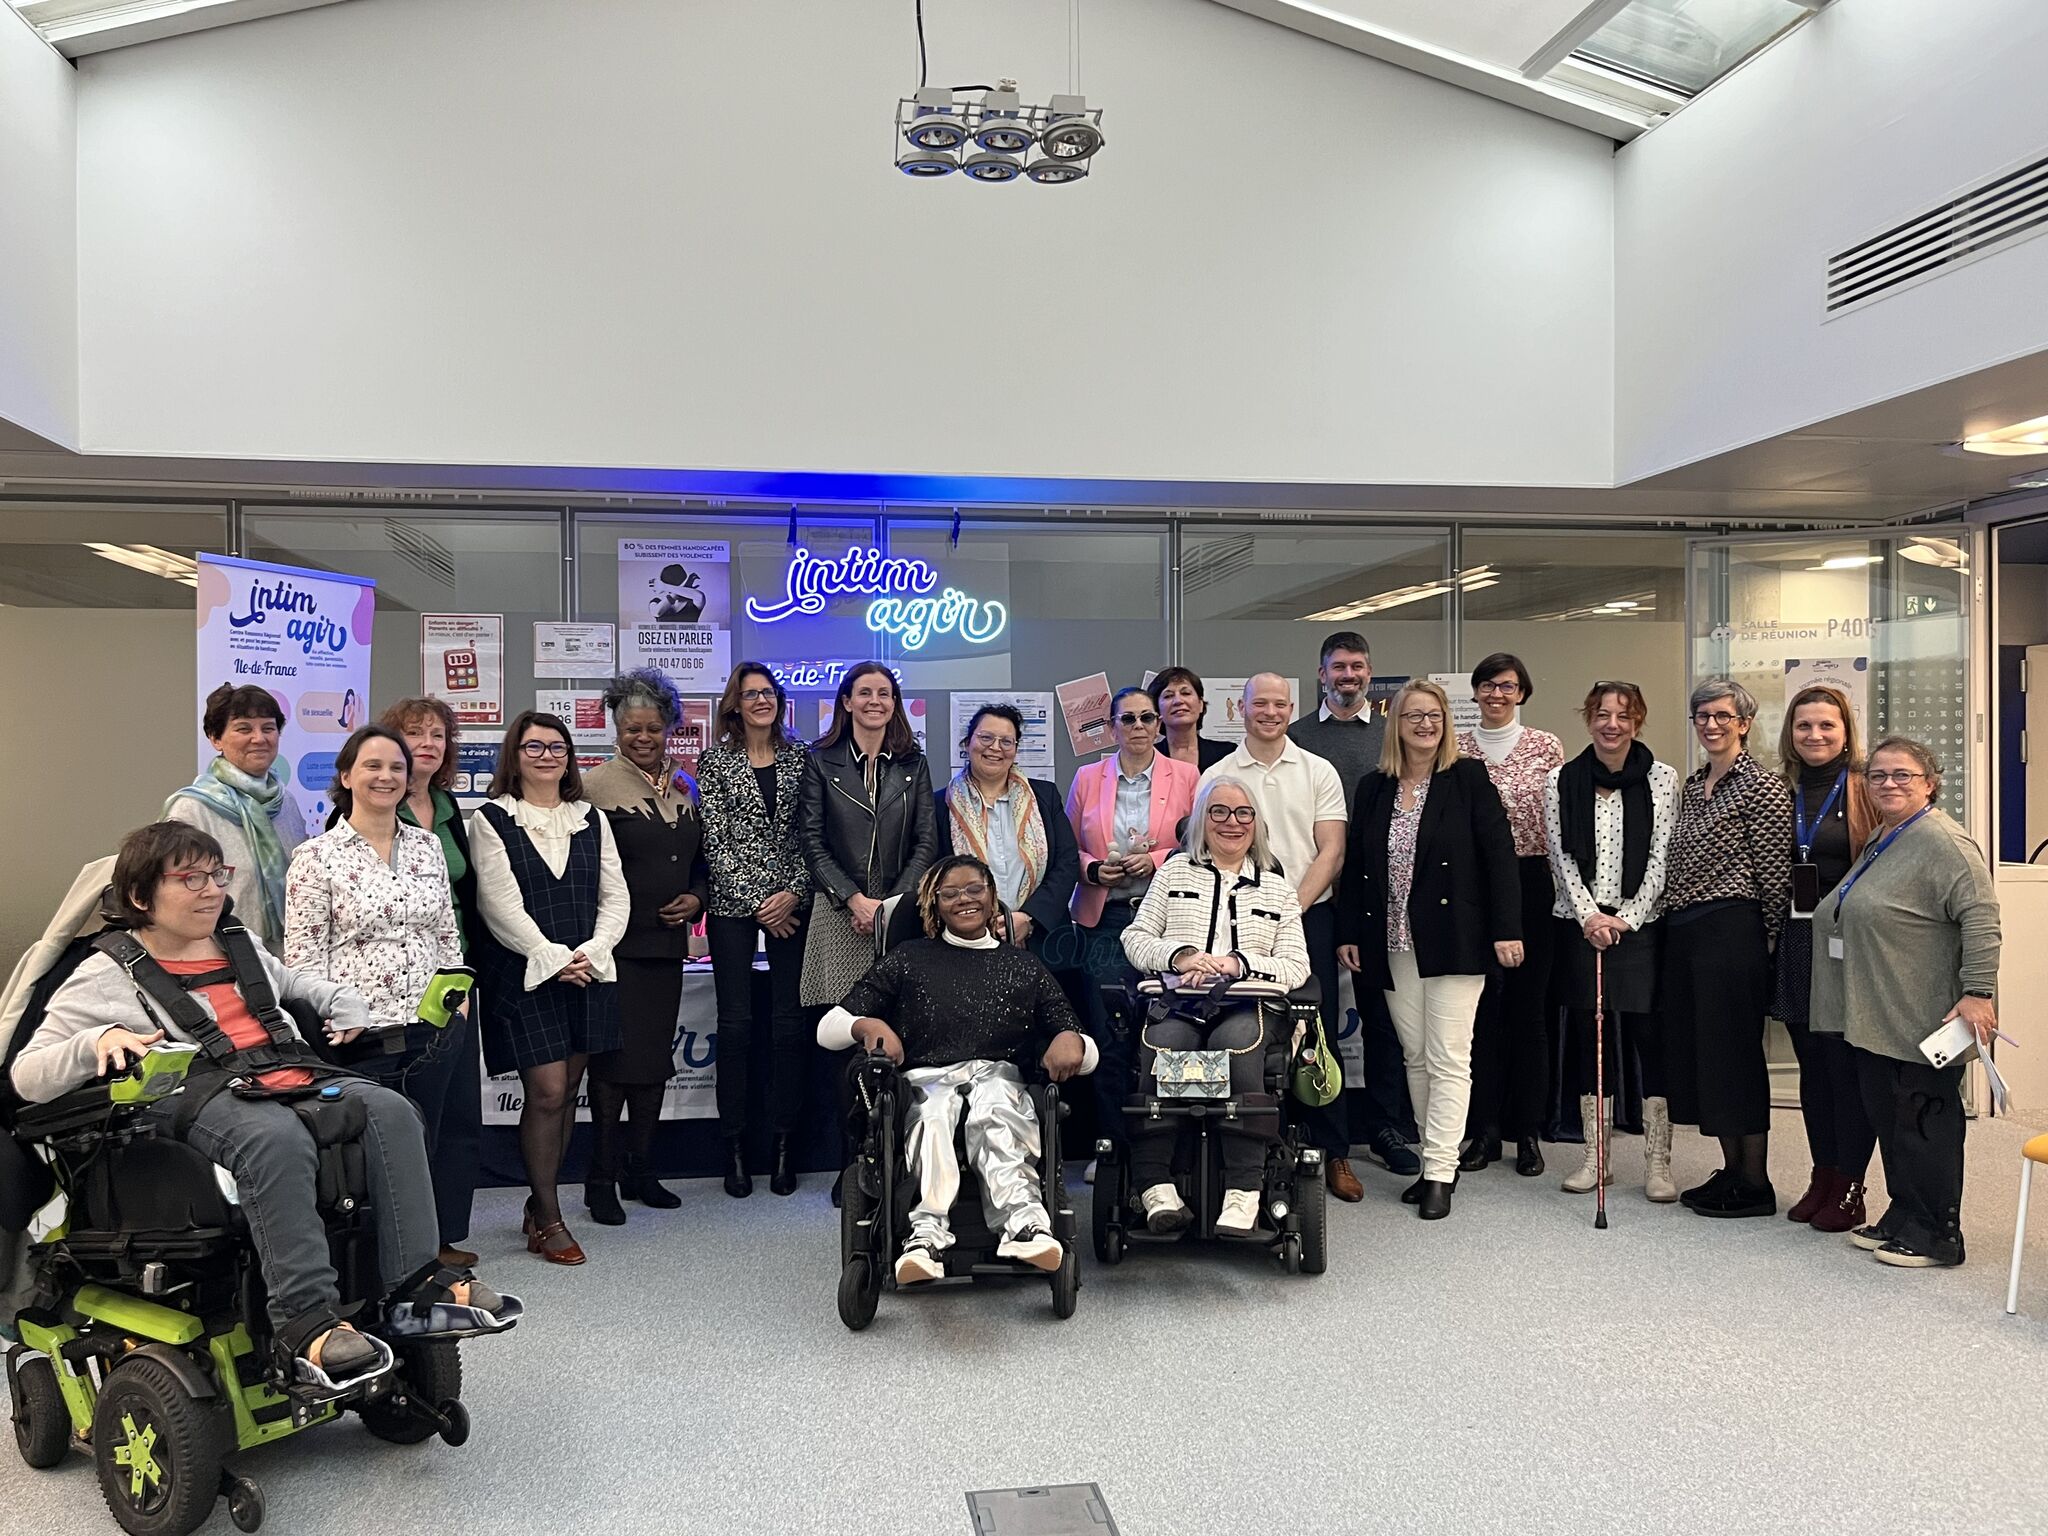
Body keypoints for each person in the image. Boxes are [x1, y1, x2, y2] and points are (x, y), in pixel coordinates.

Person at [12, 822, 513, 1388]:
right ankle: (306, 1325)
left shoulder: (236, 940)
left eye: (217, 876)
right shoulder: (104, 975)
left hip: (286, 1073)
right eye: (190, 878)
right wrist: (95, 1043)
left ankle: (413, 1288)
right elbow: (28, 1075)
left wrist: (336, 997)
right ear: (140, 896)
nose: (211, 890)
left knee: (391, 1111)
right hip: (199, 1095)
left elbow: (289, 979)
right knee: (275, 1137)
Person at [818, 855, 1090, 1282]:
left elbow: (1078, 1041)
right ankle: (925, 1236)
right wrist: (866, 1024)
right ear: (933, 903)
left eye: (974, 890)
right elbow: (827, 1027)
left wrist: (1070, 1040)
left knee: (995, 1111)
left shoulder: (1022, 965)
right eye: (950, 893)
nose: (964, 900)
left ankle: (1026, 1225)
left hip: (997, 1076)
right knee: (931, 1116)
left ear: (992, 897)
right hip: (926, 1077)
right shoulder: (909, 959)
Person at [283, 726, 478, 1274]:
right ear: (346, 777)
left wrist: (456, 999)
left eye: (396, 767)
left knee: (427, 1143)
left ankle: (422, 1260)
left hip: (433, 1023)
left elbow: (444, 931)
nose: (387, 777)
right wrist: (328, 1014)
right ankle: (369, 1265)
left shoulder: (427, 845)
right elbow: (301, 958)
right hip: (357, 1034)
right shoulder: (316, 857)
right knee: (369, 1155)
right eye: (372, 766)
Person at [1811, 736, 1999, 1268]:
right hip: (1876, 1012)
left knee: (1923, 1121)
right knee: (1890, 1118)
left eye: (1903, 775)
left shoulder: (1945, 842)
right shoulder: (1885, 836)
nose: (1888, 784)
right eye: (1878, 776)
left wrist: (1978, 993)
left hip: (1921, 1011)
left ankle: (1938, 1233)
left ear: (1930, 784)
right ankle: (1904, 1214)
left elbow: (1982, 918)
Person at [1338, 680, 1520, 1220]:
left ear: (1445, 723)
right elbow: (1357, 867)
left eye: (1433, 715)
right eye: (1413, 715)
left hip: (1455, 941)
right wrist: (1350, 929)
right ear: (1395, 724)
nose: (1424, 724)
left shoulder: (1467, 777)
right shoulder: (1375, 786)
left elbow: (1500, 857)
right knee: (1415, 1057)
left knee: (1448, 1056)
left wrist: (1507, 929)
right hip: (1392, 941)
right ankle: (1432, 1162)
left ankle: (1441, 1170)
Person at [470, 711, 629, 1265]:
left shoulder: (592, 819)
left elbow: (616, 897)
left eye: (556, 746)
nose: (546, 756)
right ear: (514, 756)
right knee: (548, 1092)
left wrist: (594, 952)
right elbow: (498, 904)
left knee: (568, 1095)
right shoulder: (490, 819)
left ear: (570, 757)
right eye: (533, 747)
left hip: (588, 971)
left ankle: (540, 1206)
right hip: (526, 973)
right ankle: (550, 1216)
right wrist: (552, 958)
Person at [1120, 777, 1312, 1234]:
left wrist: (1236, 964)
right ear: (1202, 819)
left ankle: (1244, 1190)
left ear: (1256, 824)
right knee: (1162, 1045)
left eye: (1243, 813)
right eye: (1219, 812)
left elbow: (1296, 965)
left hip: (1247, 1009)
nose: (1231, 823)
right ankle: (1154, 1188)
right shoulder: (1174, 872)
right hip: (1178, 1004)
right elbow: (1135, 938)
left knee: (1237, 1047)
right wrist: (1179, 955)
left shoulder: (1277, 888)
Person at [1208, 672, 1358, 1200]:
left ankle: (1333, 1152)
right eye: (1259, 704)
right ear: (1240, 708)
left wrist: (1288, 910)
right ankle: (1248, 1150)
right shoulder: (1220, 772)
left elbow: (1331, 851)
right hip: (1232, 921)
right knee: (1244, 1028)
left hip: (1306, 913)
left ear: (1291, 708)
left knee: (1317, 1033)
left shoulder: (1318, 770)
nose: (1269, 712)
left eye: (1279, 704)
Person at [1287, 631, 1419, 1182]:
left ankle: (1387, 1126)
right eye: (1338, 667)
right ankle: (1319, 1135)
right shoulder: (1296, 737)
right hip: (1315, 899)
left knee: (1382, 1016)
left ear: (1369, 672)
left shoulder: (1391, 737)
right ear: (1321, 674)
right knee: (1312, 1019)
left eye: (1357, 666)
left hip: (1375, 897)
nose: (1348, 676)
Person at [1659, 679, 1793, 1219]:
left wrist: (1765, 945)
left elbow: (1775, 872)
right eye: (1701, 716)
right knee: (1705, 1056)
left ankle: (1755, 1182)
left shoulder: (1761, 787)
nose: (1710, 725)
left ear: (1744, 723)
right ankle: (1731, 1170)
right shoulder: (1693, 787)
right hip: (1687, 931)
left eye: (1721, 716)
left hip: (1734, 931)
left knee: (1735, 1056)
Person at [580, 669, 709, 1225]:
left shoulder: (684, 783)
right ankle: (600, 1178)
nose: (643, 737)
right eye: (632, 728)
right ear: (615, 727)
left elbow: (701, 863)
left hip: (665, 947)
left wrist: (697, 901)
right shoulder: (594, 786)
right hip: (616, 949)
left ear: (670, 729)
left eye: (653, 728)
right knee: (614, 1068)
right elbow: (581, 872)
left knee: (654, 1065)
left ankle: (640, 1168)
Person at [1544, 682, 1680, 1200]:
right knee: (1587, 1038)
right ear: (1589, 719)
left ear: (1638, 721)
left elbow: (1662, 855)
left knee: (1650, 1038)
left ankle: (1658, 1164)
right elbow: (1561, 856)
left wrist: (1626, 919)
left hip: (1640, 926)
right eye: (1602, 714)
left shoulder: (1663, 778)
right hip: (1580, 926)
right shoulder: (1561, 779)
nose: (1612, 724)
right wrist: (1590, 918)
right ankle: (1595, 1159)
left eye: (1624, 716)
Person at [1065, 686, 1199, 1157]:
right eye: (1128, 719)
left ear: (1159, 726)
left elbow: (1200, 842)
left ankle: (1172, 1148)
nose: (1138, 727)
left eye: (1147, 719)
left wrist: (1159, 860)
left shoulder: (1185, 775)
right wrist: (1094, 870)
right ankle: (1112, 1147)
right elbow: (1067, 849)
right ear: (1111, 727)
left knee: (1171, 1029)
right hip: (1105, 922)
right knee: (1108, 1033)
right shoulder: (1087, 776)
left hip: (1168, 921)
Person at [378, 695, 485, 1267]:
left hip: (453, 983)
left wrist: (466, 979)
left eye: (439, 735)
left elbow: (463, 902)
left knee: (459, 1110)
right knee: (411, 1114)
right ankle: (405, 1239)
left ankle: (444, 1234)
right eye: (415, 733)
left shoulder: (447, 806)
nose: (428, 743)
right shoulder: (368, 810)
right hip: (389, 990)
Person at [698, 663, 812, 1198]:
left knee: (789, 1026)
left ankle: (786, 1145)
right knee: (738, 1026)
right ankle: (735, 1148)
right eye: (750, 694)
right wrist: (759, 905)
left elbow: (814, 835)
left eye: (768, 692)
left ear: (778, 700)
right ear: (734, 705)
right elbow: (715, 844)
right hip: (732, 907)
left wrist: (791, 892)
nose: (760, 701)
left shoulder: (801, 758)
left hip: (794, 901)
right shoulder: (715, 761)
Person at [1772, 683, 1879, 1232]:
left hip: (1846, 945)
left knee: (1845, 1068)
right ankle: (1823, 1174)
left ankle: (1851, 1185)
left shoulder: (1866, 789)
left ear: (1844, 732)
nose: (1814, 735)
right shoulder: (1780, 789)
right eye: (1804, 725)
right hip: (1795, 943)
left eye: (1826, 726)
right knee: (1812, 1069)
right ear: (1790, 732)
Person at [1456, 652, 1565, 1177]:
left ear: (1521, 693)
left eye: (1508, 686)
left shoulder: (1547, 747)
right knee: (1479, 1018)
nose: (1497, 694)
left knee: (1529, 1015)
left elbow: (1560, 823)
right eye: (1488, 685)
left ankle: (1528, 1132)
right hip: (1473, 891)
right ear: (1474, 692)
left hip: (1532, 883)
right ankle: (1485, 1132)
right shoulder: (1455, 749)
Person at [798, 661, 939, 1008]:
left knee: (895, 1011)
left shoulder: (913, 763)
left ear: (894, 704)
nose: (874, 701)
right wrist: (855, 901)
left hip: (898, 901)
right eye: (864, 693)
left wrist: (889, 908)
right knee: (840, 1019)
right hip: (839, 904)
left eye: (884, 694)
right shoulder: (819, 760)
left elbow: (926, 839)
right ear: (847, 702)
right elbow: (812, 841)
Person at [164, 682, 310, 952]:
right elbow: (175, 899)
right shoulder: (191, 810)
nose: (259, 738)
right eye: (244, 728)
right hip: (222, 959)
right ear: (215, 738)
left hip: (289, 958)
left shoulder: (286, 803)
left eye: (268, 728)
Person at [937, 703, 1080, 959]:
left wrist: (1028, 917)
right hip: (964, 943)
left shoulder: (1044, 796)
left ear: (1015, 749)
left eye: (1006, 741)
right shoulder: (939, 805)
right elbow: (934, 874)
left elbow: (1067, 862)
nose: (995, 748)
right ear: (967, 744)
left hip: (1042, 939)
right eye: (986, 738)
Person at [1149, 666, 1233, 770]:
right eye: (1168, 696)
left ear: (1201, 704)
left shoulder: (1227, 755)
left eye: (1186, 693)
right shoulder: (1149, 758)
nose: (1178, 701)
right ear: (1157, 710)